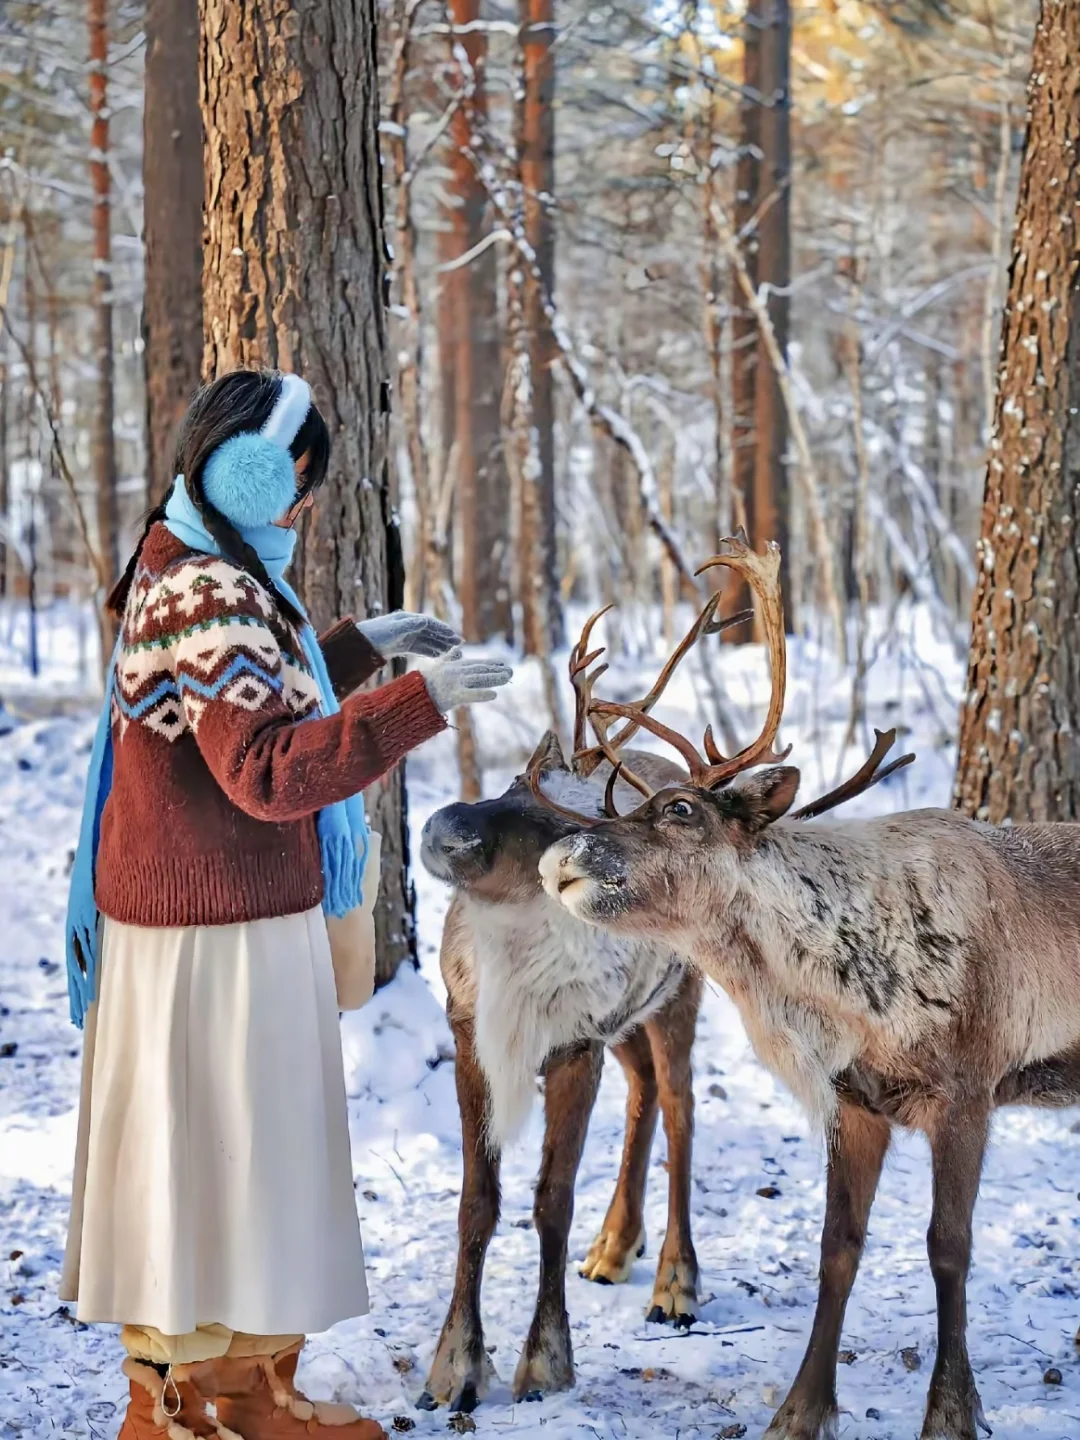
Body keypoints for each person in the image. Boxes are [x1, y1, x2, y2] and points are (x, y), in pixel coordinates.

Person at [59, 370, 512, 1440]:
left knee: (229, 1159)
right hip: (208, 934)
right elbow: (262, 768)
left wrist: (360, 647)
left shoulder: (198, 566)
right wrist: (412, 708)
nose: (304, 504)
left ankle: (240, 1389)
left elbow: (254, 687)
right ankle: (189, 1406)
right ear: (249, 473)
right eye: (297, 479)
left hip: (217, 918)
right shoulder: (208, 586)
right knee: (216, 1158)